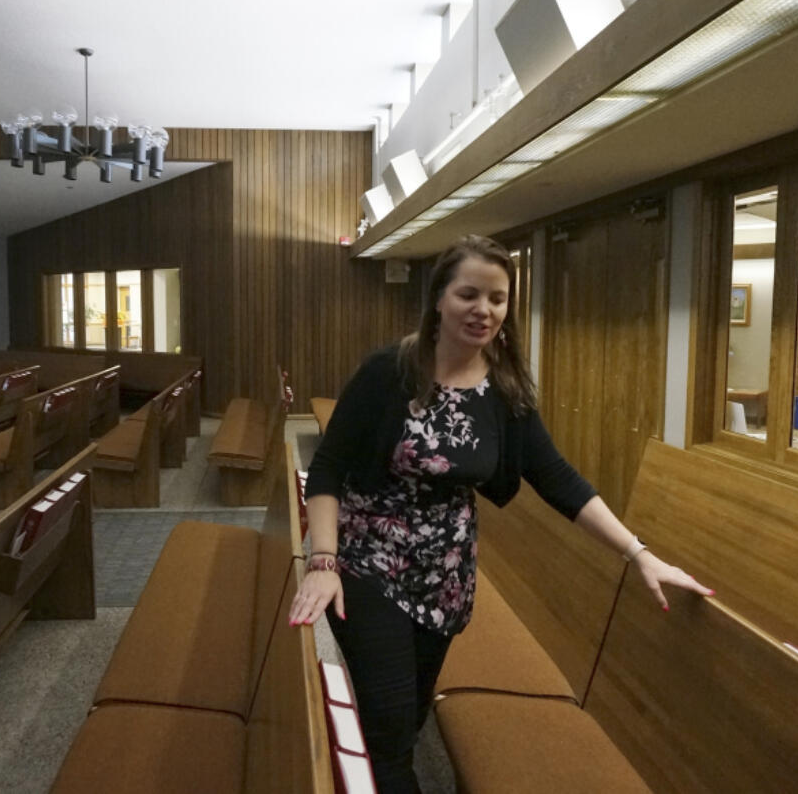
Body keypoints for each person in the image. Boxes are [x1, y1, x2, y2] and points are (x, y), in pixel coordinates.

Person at [288, 234, 713, 793]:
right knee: (388, 737)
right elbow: (329, 469)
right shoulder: (386, 372)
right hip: (371, 567)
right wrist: (324, 560)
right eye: (469, 294)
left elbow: (558, 479)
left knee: (408, 720)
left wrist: (639, 553)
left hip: (447, 581)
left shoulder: (504, 390)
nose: (483, 310)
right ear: (439, 297)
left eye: (497, 298)